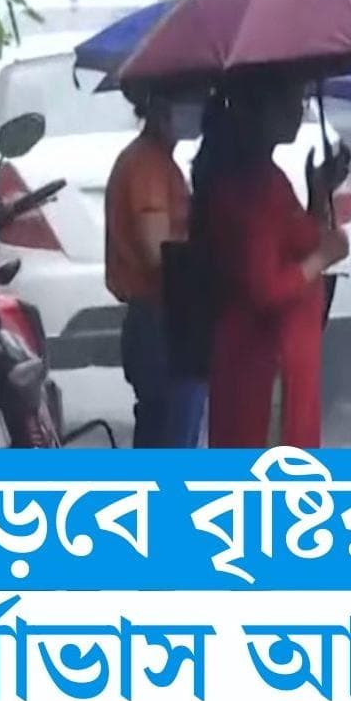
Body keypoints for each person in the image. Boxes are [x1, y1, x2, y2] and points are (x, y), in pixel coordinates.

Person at [192, 79, 350, 449]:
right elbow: (264, 287)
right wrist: (321, 259)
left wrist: (318, 190)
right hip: (266, 364)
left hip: (263, 354)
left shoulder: (263, 176)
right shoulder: (253, 187)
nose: (301, 110)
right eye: (293, 99)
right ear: (259, 110)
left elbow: (291, 242)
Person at [105, 87, 207, 447]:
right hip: (160, 321)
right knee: (171, 441)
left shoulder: (161, 163)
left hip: (163, 320)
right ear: (158, 106)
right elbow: (158, 253)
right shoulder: (146, 166)